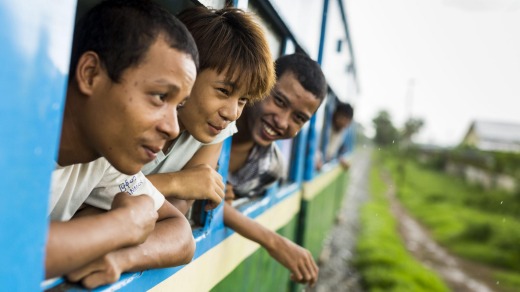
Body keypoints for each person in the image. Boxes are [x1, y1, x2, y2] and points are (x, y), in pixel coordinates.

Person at [46, 0, 198, 288]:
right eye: (159, 96)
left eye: (178, 106)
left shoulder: (104, 157)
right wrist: (122, 226)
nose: (173, 128)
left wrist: (120, 258)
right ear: (90, 74)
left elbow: (181, 235)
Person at [141, 6, 275, 215]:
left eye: (243, 100)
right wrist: (175, 182)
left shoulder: (215, 124)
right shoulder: (138, 114)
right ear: (185, 73)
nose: (232, 114)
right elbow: (96, 194)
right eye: (223, 90)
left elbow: (180, 207)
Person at [225, 53, 328, 287]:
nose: (282, 122)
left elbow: (220, 208)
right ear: (260, 85)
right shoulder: (211, 121)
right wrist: (274, 241)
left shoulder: (271, 169)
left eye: (298, 118)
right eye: (279, 101)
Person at [317, 102, 354, 170]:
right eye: (344, 119)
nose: (345, 124)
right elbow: (315, 145)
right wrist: (317, 158)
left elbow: (340, 149)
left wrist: (340, 157)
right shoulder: (323, 126)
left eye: (348, 121)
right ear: (336, 114)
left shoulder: (341, 131)